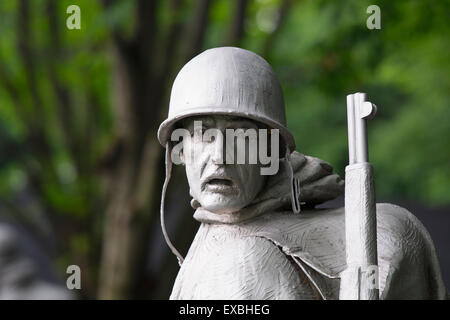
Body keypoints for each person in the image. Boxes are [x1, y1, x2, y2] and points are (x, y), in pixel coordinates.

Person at [157, 47, 447, 299]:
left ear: (270, 151)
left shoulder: (242, 256)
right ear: (180, 148)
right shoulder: (214, 234)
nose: (220, 156)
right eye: (203, 134)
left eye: (241, 137)